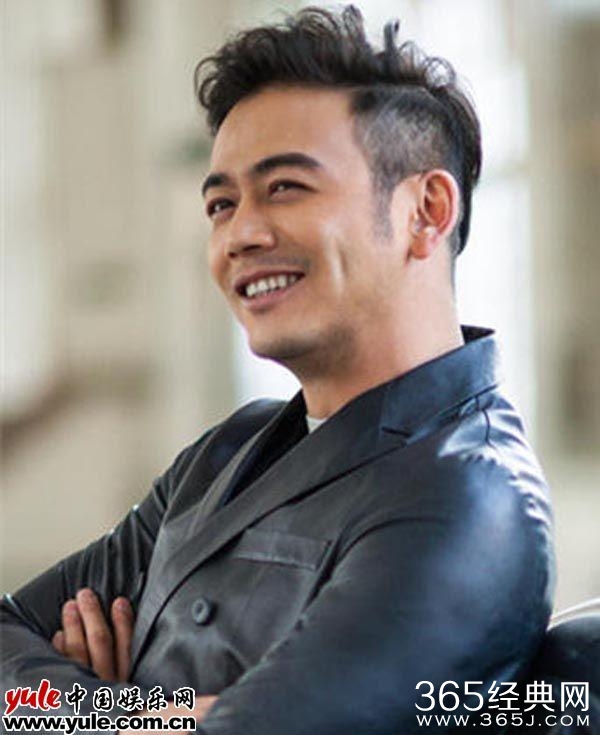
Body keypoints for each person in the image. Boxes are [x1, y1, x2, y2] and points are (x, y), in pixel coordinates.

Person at [1, 6, 554, 734]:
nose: (240, 234)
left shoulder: (468, 497)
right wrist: (129, 710)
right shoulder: (225, 456)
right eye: (221, 204)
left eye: (285, 187)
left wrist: (77, 714)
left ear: (426, 210)